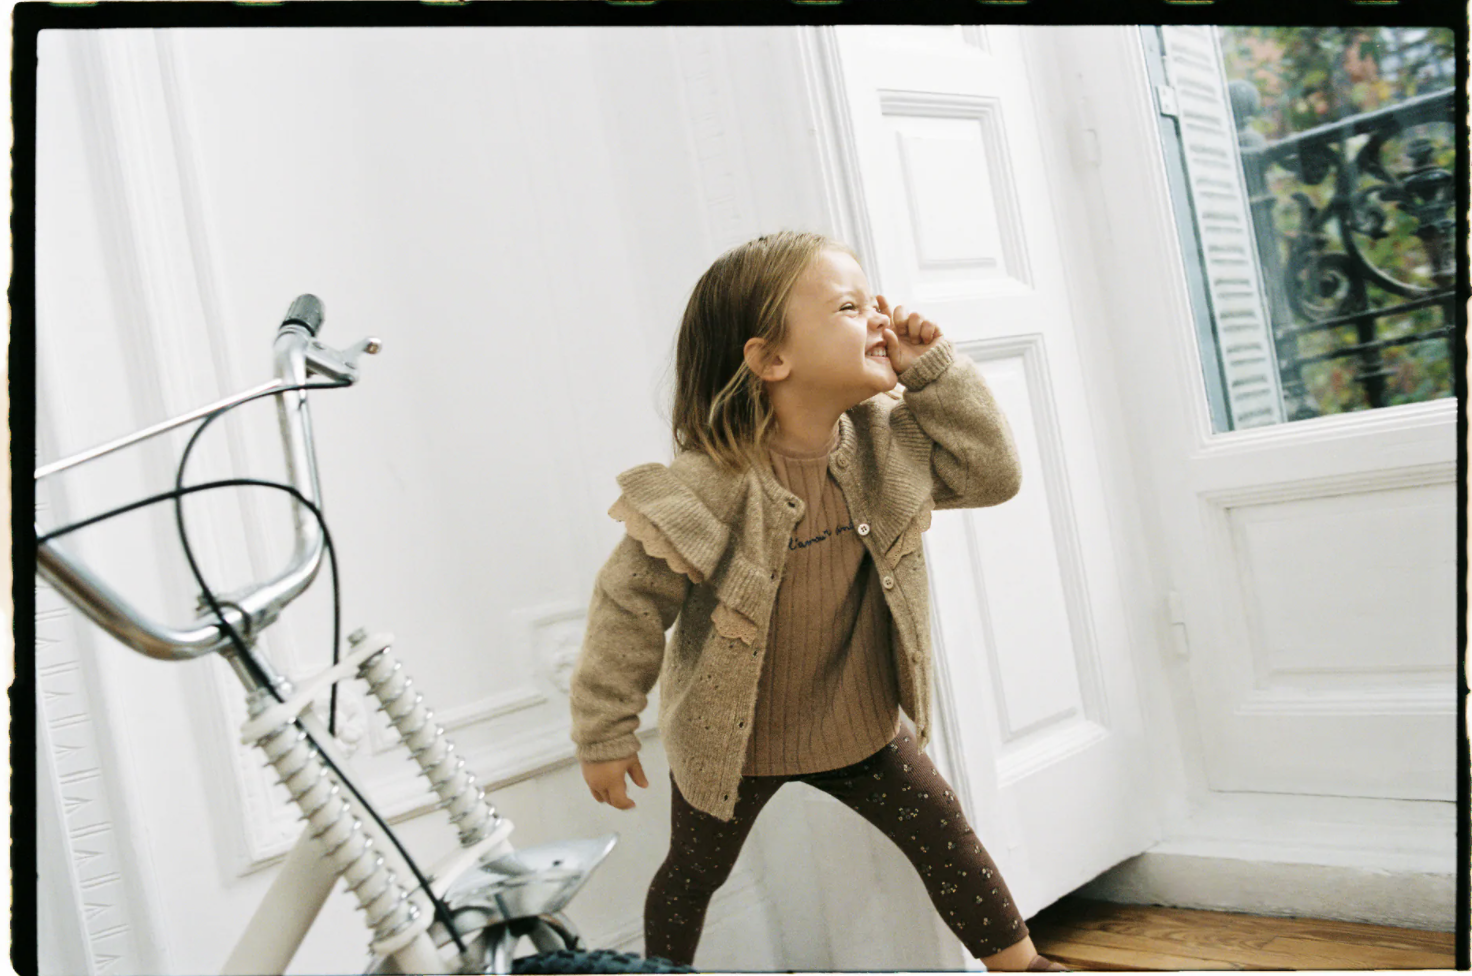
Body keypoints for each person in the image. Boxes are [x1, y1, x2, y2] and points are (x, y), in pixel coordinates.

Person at [568, 230, 1067, 972]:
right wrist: (604, 731)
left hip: (855, 722)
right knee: (694, 873)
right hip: (734, 741)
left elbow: (993, 476)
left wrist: (936, 373)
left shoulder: (886, 444)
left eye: (874, 302)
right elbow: (628, 603)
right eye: (849, 307)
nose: (881, 319)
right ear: (772, 359)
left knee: (946, 838)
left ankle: (1025, 967)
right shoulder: (711, 484)